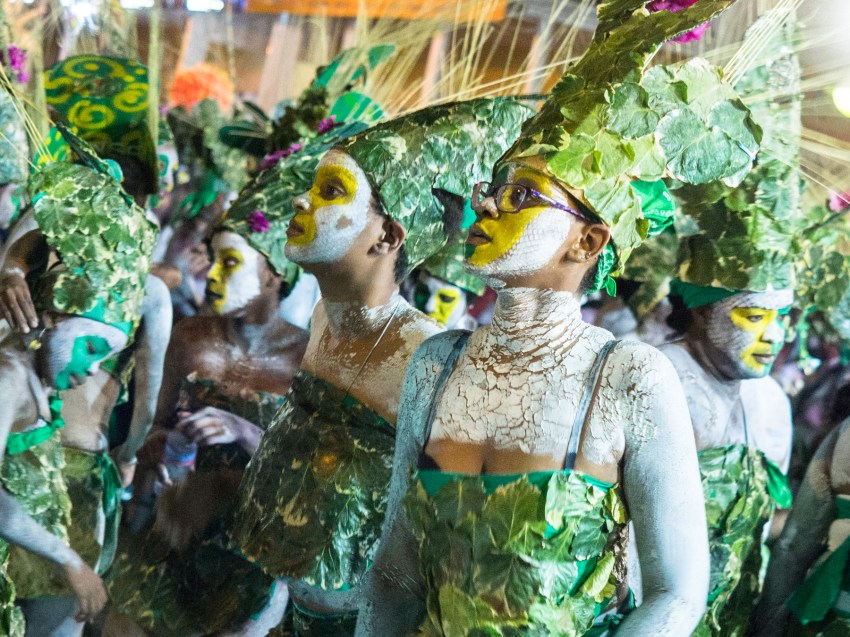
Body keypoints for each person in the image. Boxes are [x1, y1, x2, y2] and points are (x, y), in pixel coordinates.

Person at [358, 0, 762, 634]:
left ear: (587, 243)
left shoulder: (629, 375)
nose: (488, 206)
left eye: (520, 196)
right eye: (493, 190)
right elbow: (396, 570)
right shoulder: (437, 363)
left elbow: (676, 594)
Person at [228, 97, 532, 636]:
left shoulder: (433, 359)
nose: (303, 199)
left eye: (331, 192)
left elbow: (467, 533)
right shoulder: (324, 316)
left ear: (388, 237)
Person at [658, 12, 805, 636]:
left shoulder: (771, 401)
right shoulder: (654, 376)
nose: (772, 334)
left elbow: (772, 524)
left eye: (783, 317)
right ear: (697, 307)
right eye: (751, 314)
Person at [0, 125, 157, 636]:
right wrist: (69, 559)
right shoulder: (10, 372)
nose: (92, 370)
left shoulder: (41, 370)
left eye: (105, 355)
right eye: (91, 349)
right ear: (50, 315)